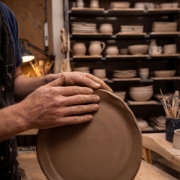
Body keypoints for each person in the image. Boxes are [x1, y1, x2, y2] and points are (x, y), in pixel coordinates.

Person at [0, 2, 112, 180]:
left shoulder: (5, 15)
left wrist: (55, 81)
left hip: (7, 169)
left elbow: (12, 82)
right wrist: (24, 115)